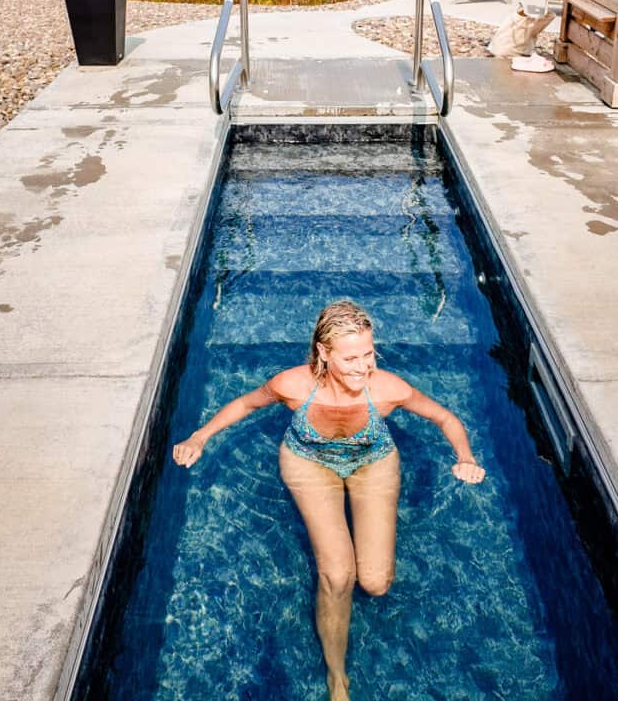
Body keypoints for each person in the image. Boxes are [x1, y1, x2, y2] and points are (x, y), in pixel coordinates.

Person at [173, 300, 485, 701]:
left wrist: (465, 457)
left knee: (375, 583)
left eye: (368, 354)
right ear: (323, 352)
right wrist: (200, 436)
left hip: (372, 460)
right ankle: (337, 677)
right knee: (337, 575)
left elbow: (445, 417)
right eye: (351, 358)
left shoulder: (387, 389)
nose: (363, 367)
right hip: (309, 460)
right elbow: (246, 404)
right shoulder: (292, 385)